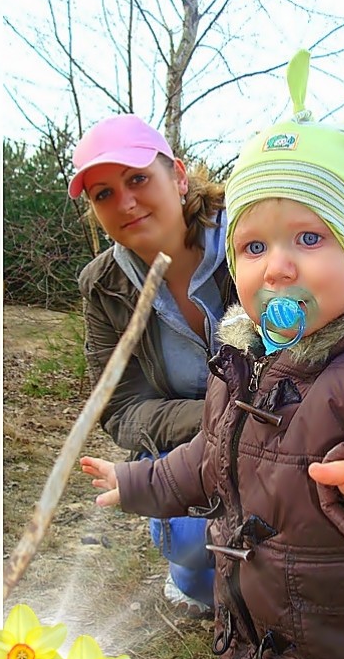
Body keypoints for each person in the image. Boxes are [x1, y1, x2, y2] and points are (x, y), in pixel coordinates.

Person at [80, 50, 344, 659]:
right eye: (255, 248)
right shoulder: (241, 356)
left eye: (309, 238)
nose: (279, 267)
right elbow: (207, 455)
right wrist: (137, 483)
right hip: (250, 648)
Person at [69, 113, 236, 616]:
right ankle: (193, 569)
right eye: (102, 194)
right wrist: (217, 420)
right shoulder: (103, 287)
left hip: (285, 436)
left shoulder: (254, 241)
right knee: (193, 550)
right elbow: (120, 407)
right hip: (184, 450)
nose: (124, 202)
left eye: (137, 179)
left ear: (179, 177)